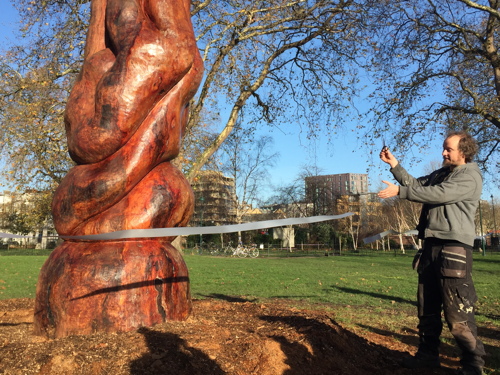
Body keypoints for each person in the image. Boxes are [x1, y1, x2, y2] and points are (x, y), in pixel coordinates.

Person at [378, 131, 486, 375]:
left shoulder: (470, 176)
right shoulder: (441, 174)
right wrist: (395, 165)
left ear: (464, 151)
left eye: (448, 149)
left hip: (454, 249)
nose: (443, 153)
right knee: (427, 308)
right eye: (444, 148)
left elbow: (438, 194)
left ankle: (473, 366)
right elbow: (418, 186)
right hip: (430, 247)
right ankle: (428, 356)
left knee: (457, 312)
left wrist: (399, 192)